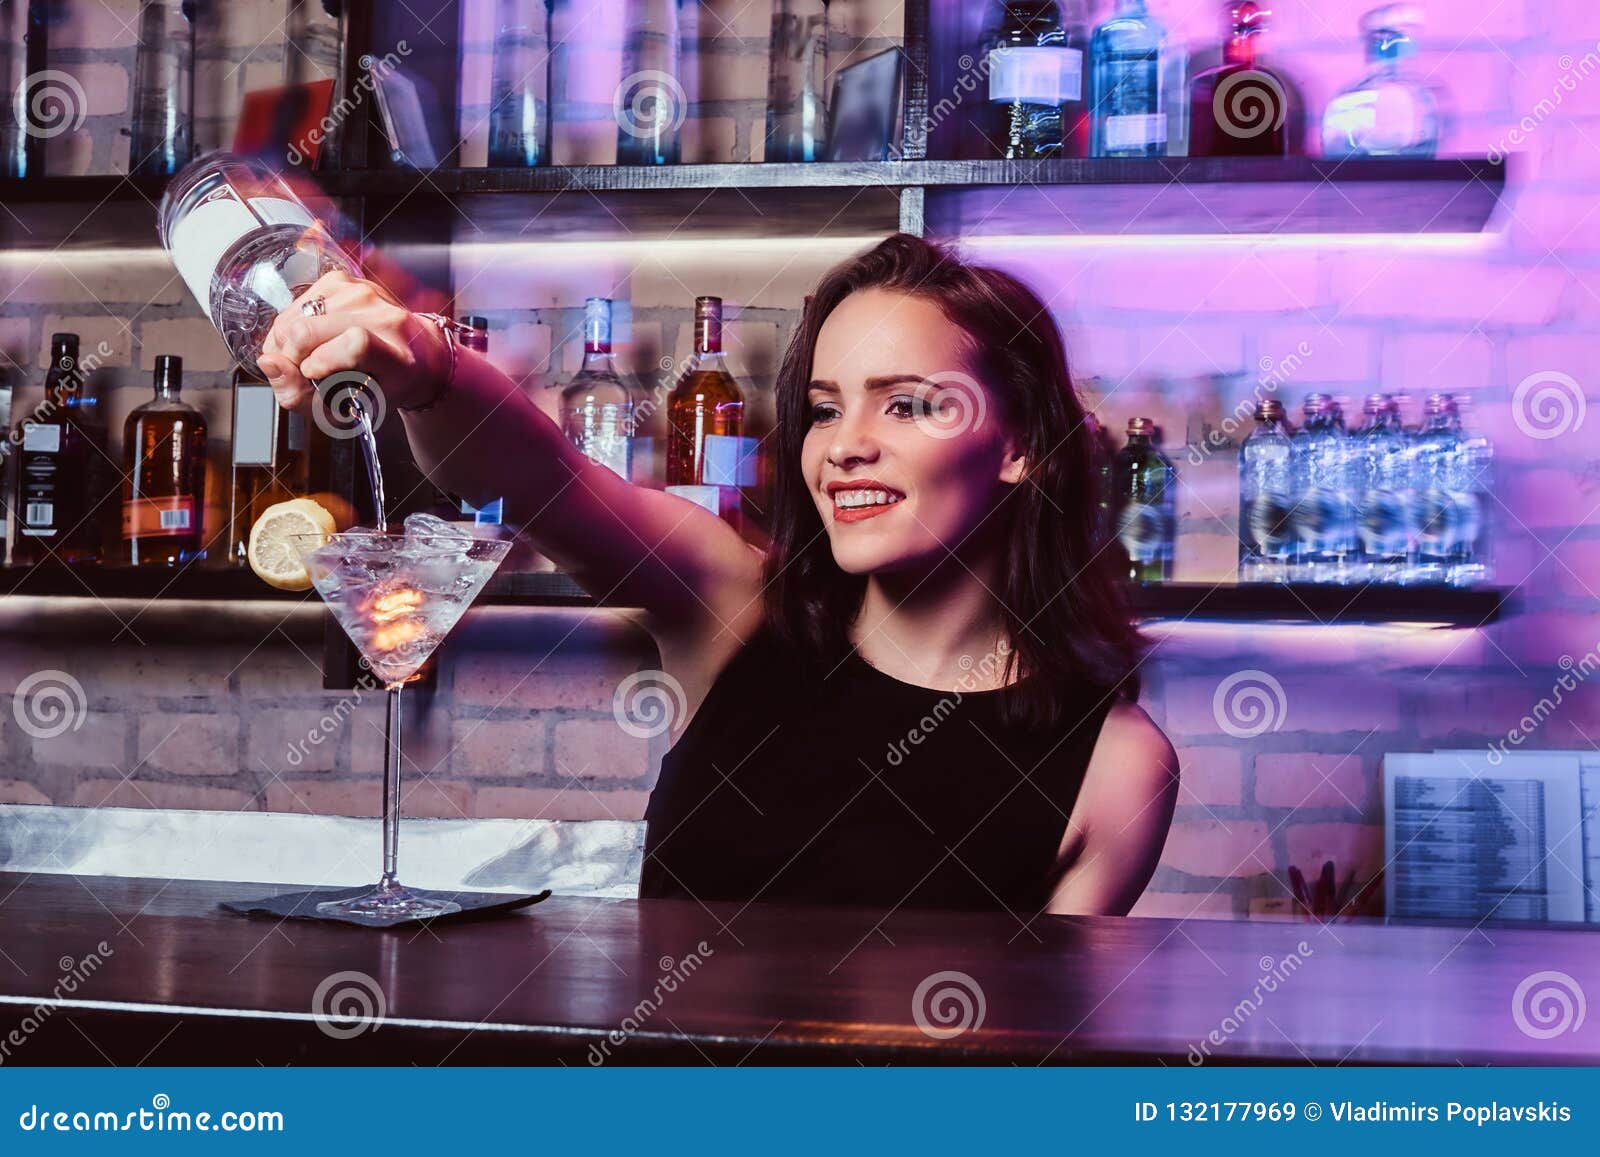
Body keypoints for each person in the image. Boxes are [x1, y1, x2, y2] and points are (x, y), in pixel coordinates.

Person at [258, 232, 1180, 917]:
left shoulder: (1117, 768)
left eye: (906, 404)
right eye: (825, 409)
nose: (847, 446)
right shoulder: (735, 605)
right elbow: (538, 476)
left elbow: (1026, 1075)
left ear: (1020, 445)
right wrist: (427, 370)